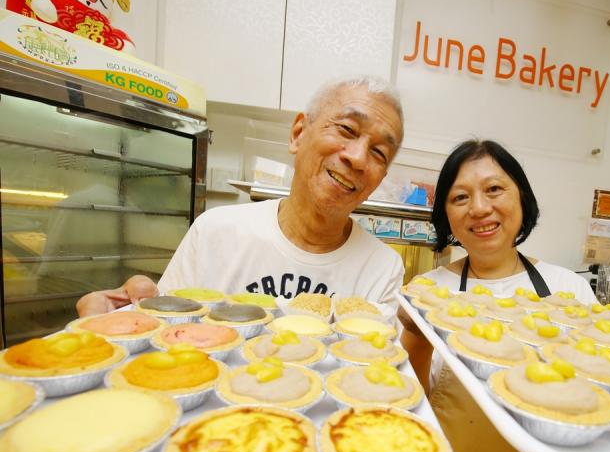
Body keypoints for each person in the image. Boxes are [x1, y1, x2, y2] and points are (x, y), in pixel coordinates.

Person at [399, 139, 610, 452]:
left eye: (494, 189)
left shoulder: (568, 290)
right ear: (446, 214)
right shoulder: (428, 291)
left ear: (522, 199)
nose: (480, 208)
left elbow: (601, 404)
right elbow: (408, 405)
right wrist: (417, 337)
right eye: (460, 197)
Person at [77, 75, 405, 317]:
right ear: (298, 134)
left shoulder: (382, 269)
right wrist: (113, 322)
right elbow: (166, 334)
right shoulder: (216, 232)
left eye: (379, 152)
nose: (359, 158)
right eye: (347, 130)